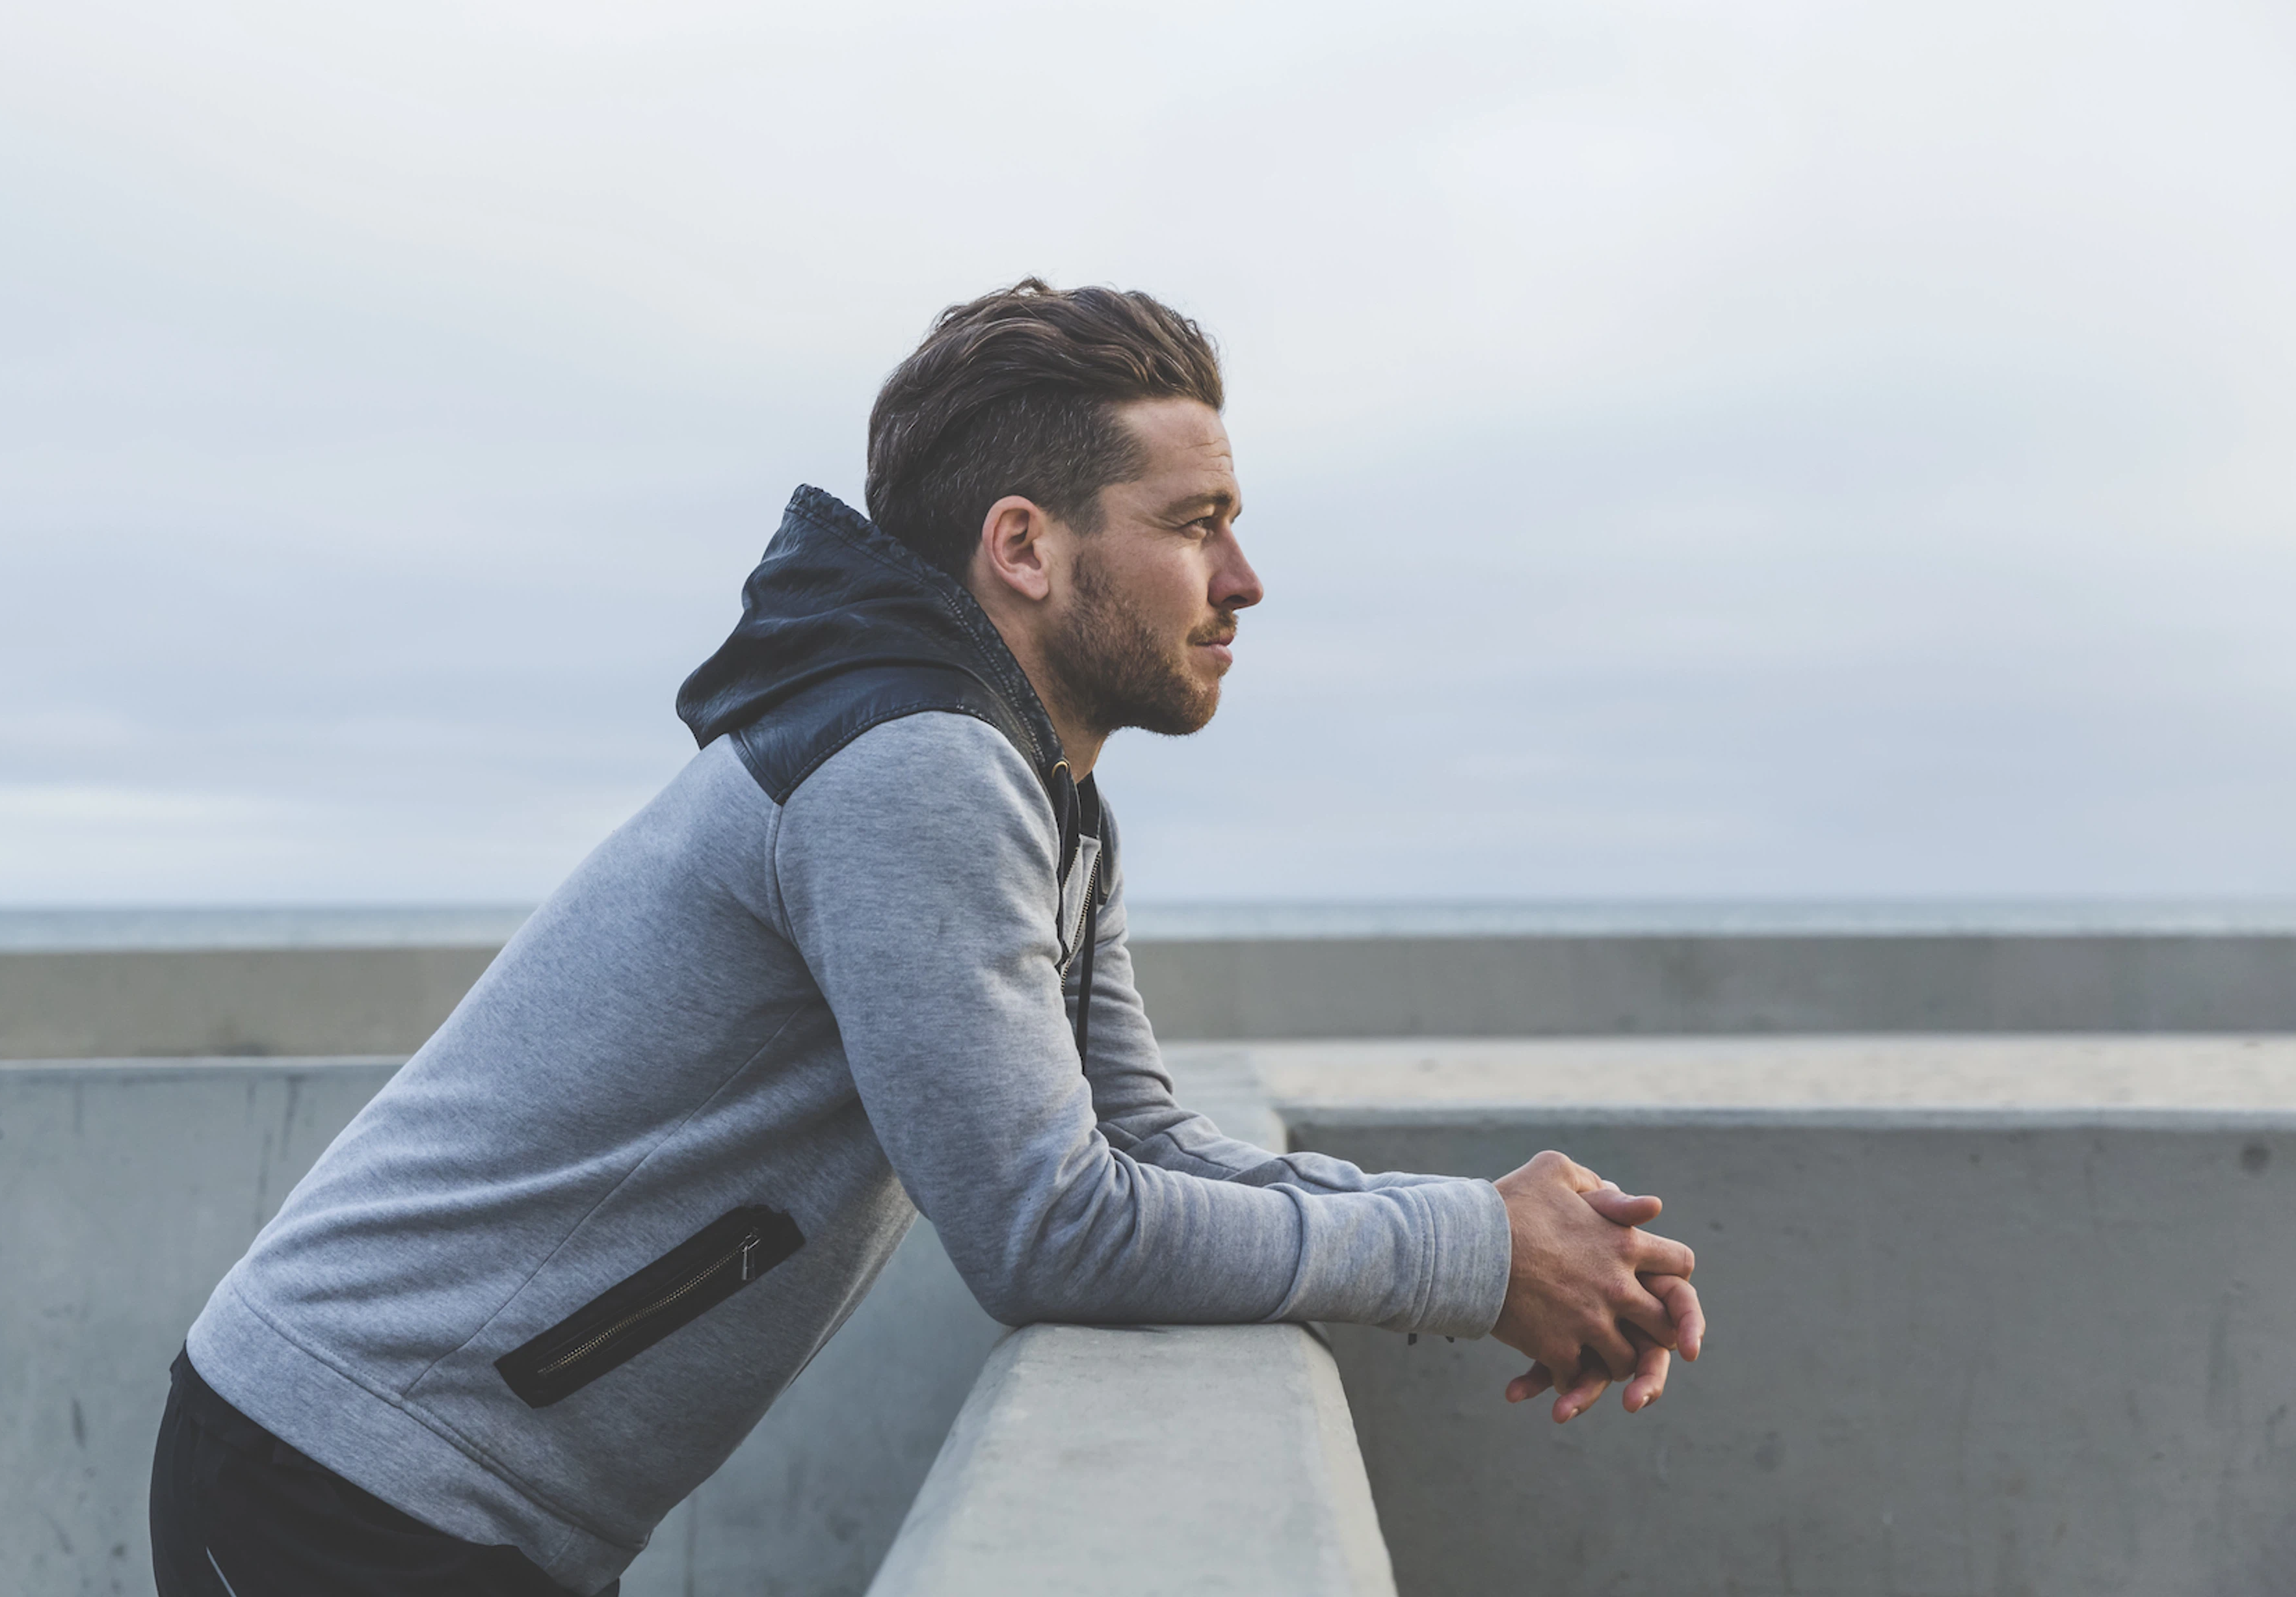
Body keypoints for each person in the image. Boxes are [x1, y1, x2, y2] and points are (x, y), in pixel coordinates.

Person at [148, 279, 1706, 1597]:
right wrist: (1471, 1252)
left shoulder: (1026, 781)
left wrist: (1497, 1232)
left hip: (444, 1494)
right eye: (1197, 522)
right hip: (346, 1479)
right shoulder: (918, 765)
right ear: (1024, 547)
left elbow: (1137, 1137)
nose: (1243, 579)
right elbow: (1055, 1228)